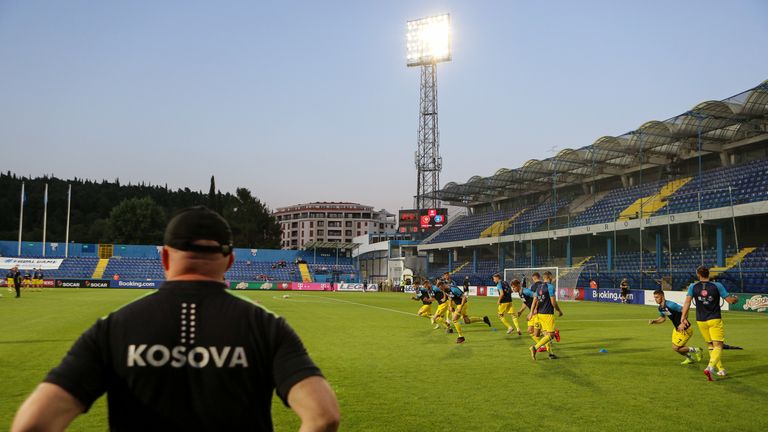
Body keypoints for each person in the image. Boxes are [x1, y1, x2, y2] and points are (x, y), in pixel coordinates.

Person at [12, 206, 340, 431]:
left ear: (165, 257)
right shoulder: (266, 326)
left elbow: (33, 423)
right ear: (229, 262)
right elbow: (323, 416)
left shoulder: (114, 327)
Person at [678, 265, 738, 381]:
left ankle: (720, 369)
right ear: (708, 274)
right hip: (714, 319)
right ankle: (710, 368)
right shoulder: (717, 286)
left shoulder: (692, 287)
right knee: (718, 345)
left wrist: (683, 318)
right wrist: (736, 299)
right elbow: (730, 300)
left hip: (701, 320)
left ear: (698, 275)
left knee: (711, 345)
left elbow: (687, 303)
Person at [648, 290, 702, 365]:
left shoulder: (670, 305)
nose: (655, 299)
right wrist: (655, 321)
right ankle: (690, 358)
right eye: (655, 298)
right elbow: (663, 318)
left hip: (685, 329)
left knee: (676, 348)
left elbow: (685, 310)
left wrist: (683, 322)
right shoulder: (660, 308)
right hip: (677, 329)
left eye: (657, 297)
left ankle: (696, 350)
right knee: (677, 348)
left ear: (662, 296)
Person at [527, 271, 563, 360]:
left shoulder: (539, 287)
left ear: (543, 278)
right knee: (551, 335)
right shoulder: (550, 287)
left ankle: (550, 353)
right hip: (547, 314)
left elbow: (534, 301)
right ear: (550, 277)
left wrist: (531, 312)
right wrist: (559, 311)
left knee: (546, 335)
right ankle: (535, 348)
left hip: (539, 315)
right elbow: (553, 303)